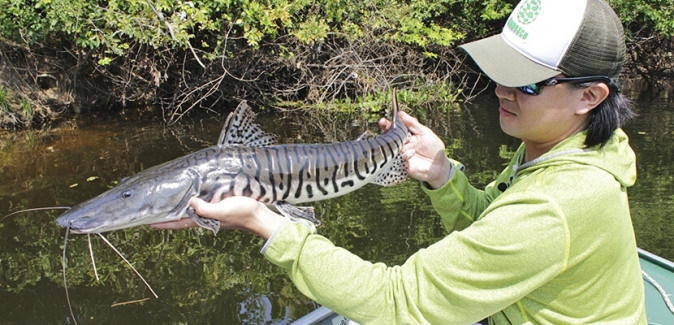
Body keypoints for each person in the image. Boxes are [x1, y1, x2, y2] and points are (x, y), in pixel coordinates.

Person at [153, 0, 647, 323]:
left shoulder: (559, 202)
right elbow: (497, 225)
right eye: (501, 71)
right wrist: (441, 176)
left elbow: (398, 302)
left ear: (591, 96)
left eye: (527, 82)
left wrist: (268, 223)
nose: (501, 90)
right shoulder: (568, 148)